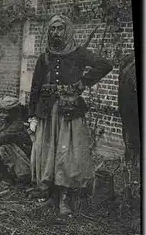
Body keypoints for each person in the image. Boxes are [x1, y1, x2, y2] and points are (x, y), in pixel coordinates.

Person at [28, 14, 113, 217]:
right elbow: (35, 87)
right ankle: (48, 192)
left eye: (59, 28)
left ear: (67, 30)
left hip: (69, 111)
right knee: (48, 152)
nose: (56, 33)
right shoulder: (45, 57)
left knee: (67, 154)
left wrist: (82, 84)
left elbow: (105, 65)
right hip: (48, 112)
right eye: (52, 29)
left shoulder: (79, 53)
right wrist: (31, 114)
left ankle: (65, 196)